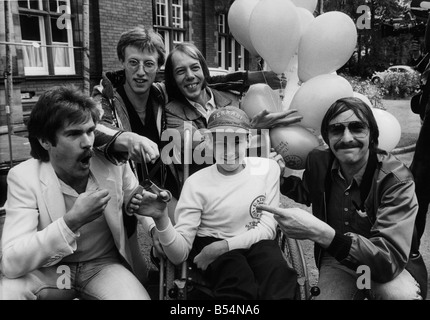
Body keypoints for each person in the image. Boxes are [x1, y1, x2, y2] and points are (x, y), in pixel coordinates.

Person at [0, 86, 162, 300]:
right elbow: (11, 262)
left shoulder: (111, 162)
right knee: (7, 293)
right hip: (51, 271)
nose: (87, 142)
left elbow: (136, 198)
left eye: (90, 131)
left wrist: (153, 230)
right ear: (45, 140)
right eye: (74, 134)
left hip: (101, 267)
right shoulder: (24, 176)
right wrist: (71, 222)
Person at [258, 97, 427, 300]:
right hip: (338, 260)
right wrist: (281, 177)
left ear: (372, 134)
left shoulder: (397, 180)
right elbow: (307, 192)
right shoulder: (318, 160)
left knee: (400, 296)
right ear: (327, 137)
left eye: (357, 128)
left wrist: (323, 234)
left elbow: (387, 261)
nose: (347, 138)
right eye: (336, 129)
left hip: (388, 264)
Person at [128, 106, 297, 300]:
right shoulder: (196, 184)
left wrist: (222, 247)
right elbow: (179, 255)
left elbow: (268, 229)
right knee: (237, 279)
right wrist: (161, 219)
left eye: (236, 141)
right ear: (209, 142)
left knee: (279, 273)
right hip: (210, 238)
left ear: (248, 140)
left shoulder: (268, 168)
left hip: (255, 239)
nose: (229, 151)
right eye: (220, 142)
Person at [163, 42, 302, 177]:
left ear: (203, 70)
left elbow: (256, 146)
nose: (190, 76)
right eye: (180, 71)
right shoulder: (172, 112)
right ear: (173, 78)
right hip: (207, 190)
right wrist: (252, 129)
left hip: (241, 183)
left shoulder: (232, 98)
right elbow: (204, 149)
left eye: (195, 68)